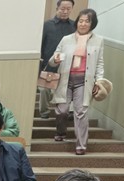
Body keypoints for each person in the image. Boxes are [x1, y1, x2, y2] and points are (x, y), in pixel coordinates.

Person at [50, 8, 104, 156]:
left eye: (87, 21)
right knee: (62, 111)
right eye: (81, 20)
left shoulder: (98, 41)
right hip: (65, 80)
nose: (83, 24)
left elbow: (99, 63)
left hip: (84, 81)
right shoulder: (66, 39)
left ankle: (81, 145)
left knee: (81, 112)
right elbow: (54, 58)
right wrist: (55, 59)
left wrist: (99, 81)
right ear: (77, 22)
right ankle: (61, 131)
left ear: (92, 24)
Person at [39, 1, 75, 119]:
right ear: (57, 8)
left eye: (68, 9)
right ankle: (43, 112)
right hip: (49, 64)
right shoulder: (47, 25)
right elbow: (41, 45)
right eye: (62, 9)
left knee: (66, 90)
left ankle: (65, 112)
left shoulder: (74, 26)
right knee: (44, 90)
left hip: (68, 66)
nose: (65, 11)